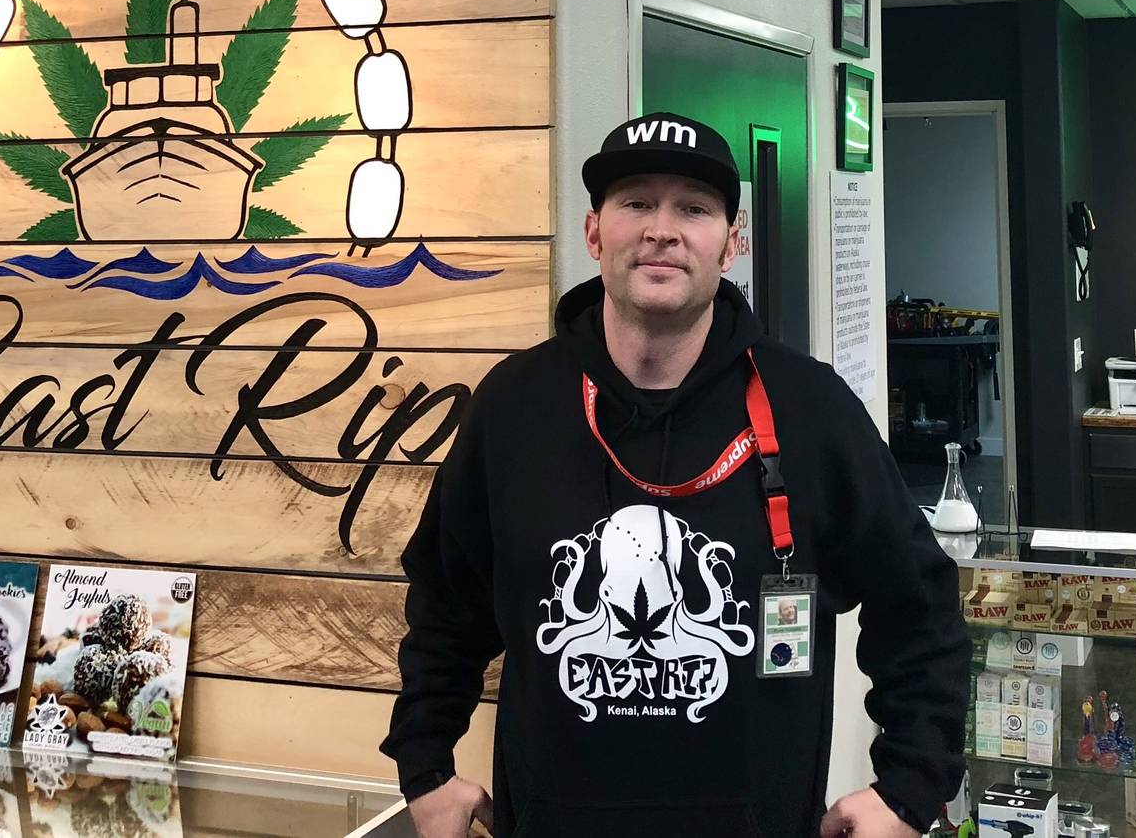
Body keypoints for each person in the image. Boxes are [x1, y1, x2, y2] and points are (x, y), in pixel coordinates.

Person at [384, 112, 968, 837]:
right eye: (636, 201)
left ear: (733, 242)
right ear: (595, 232)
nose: (662, 228)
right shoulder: (513, 405)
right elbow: (445, 602)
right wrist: (426, 766)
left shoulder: (811, 410)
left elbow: (920, 606)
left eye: (693, 206)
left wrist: (911, 788)